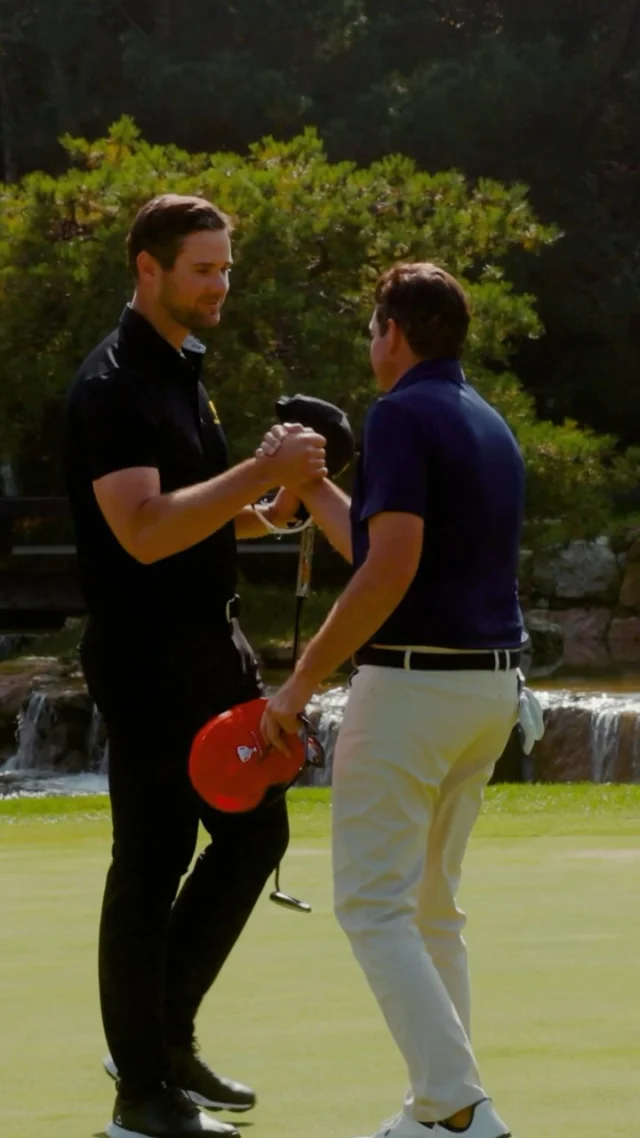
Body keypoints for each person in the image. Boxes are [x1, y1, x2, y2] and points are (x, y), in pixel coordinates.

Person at [63, 194, 327, 1138]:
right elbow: (141, 531)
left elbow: (192, 511)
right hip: (146, 661)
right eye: (203, 269)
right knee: (152, 861)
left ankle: (160, 1042)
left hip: (212, 652)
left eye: (225, 267)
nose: (220, 284)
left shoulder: (183, 368)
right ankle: (142, 1094)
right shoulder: (114, 383)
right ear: (149, 268)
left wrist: (270, 512)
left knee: (254, 837)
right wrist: (260, 472)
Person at [262, 262, 525, 1138]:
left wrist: (301, 680)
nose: (371, 342)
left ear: (394, 334)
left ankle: (458, 1110)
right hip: (487, 688)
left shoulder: (401, 414)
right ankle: (435, 1109)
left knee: (373, 905)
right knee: (429, 908)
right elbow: (382, 544)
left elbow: (390, 570)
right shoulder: (483, 417)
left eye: (374, 327)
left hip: (415, 686)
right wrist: (312, 486)